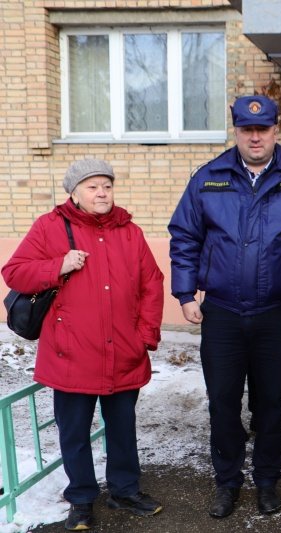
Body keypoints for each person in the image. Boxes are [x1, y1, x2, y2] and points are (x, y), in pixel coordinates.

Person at [168, 95, 281, 519]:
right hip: (222, 311)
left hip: (276, 313)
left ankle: (267, 481)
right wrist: (185, 294)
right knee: (222, 400)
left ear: (277, 131)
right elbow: (185, 237)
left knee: (272, 401)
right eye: (246, 130)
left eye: (264, 129)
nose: (255, 137)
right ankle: (228, 481)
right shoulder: (208, 179)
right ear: (235, 131)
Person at [2, 159, 165, 531]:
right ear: (73, 192)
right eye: (92, 186)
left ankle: (124, 490)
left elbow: (151, 284)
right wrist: (57, 265)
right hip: (70, 353)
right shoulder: (49, 227)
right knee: (73, 432)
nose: (102, 192)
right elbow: (14, 272)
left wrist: (144, 337)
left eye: (106, 185)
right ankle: (81, 499)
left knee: (122, 428)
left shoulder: (130, 232)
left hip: (123, 351)